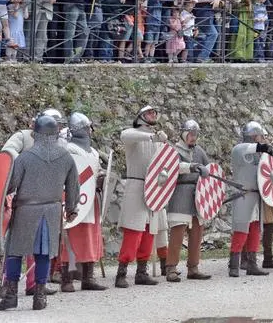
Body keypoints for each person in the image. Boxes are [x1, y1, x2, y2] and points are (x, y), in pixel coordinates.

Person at [0, 114, 79, 312]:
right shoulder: (66, 157)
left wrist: (3, 195)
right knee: (43, 253)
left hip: (25, 210)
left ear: (36, 133)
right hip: (51, 210)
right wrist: (71, 209)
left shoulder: (25, 158)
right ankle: (39, 297)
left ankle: (11, 296)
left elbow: (10, 185)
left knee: (15, 253)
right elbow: (73, 186)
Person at [115, 106, 167, 288]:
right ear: (141, 117)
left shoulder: (159, 142)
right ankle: (121, 273)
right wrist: (151, 136)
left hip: (154, 189)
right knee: (133, 231)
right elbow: (125, 135)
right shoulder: (134, 136)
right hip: (137, 186)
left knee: (149, 232)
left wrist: (190, 167)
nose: (153, 115)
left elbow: (168, 163)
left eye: (155, 113)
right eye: (150, 113)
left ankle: (141, 272)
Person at [59, 113, 107, 292]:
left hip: (90, 200)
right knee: (70, 240)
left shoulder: (93, 151)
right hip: (74, 201)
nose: (90, 130)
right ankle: (67, 279)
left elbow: (96, 172)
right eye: (88, 127)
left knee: (91, 238)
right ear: (82, 129)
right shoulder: (69, 149)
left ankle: (88, 278)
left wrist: (102, 177)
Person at [164, 120, 213, 282]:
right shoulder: (174, 150)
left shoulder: (199, 151)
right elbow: (171, 167)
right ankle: (171, 268)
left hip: (198, 193)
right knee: (177, 231)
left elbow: (210, 168)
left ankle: (193, 267)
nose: (193, 137)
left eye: (195, 135)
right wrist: (190, 167)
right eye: (191, 134)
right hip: (180, 191)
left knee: (197, 231)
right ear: (183, 134)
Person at [228, 121, 272, 277]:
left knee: (255, 229)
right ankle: (233, 265)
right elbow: (255, 147)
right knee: (241, 230)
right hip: (243, 195)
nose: (261, 138)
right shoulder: (239, 149)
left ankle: (252, 264)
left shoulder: (258, 154)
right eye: (260, 135)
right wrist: (265, 147)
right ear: (254, 135)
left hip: (256, 194)